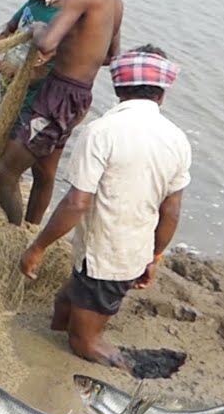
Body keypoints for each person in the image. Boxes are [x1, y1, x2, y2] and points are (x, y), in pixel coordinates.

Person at [19, 47, 189, 372]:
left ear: (118, 89)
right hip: (129, 252)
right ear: (162, 94)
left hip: (106, 259)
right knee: (63, 306)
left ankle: (132, 367)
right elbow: (172, 211)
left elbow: (77, 202)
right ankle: (75, 328)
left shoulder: (101, 132)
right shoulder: (176, 139)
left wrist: (37, 247)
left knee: (84, 343)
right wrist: (154, 257)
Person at [0, 0, 135, 227]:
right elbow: (111, 57)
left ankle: (13, 234)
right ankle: (31, 229)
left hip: (57, 96)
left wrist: (36, 28)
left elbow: (46, 43)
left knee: (5, 172)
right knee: (45, 173)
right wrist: (79, 48)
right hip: (79, 97)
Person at [0, 0, 77, 227]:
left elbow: (35, 76)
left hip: (34, 104)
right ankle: (13, 215)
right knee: (12, 166)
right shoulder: (33, 3)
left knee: (19, 169)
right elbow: (7, 30)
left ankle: (19, 228)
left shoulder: (62, 22)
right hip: (10, 94)